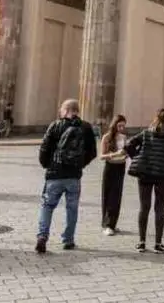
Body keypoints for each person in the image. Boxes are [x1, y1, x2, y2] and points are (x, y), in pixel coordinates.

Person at [35, 99, 98, 253]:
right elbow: (92, 152)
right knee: (72, 208)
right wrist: (81, 164)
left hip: (55, 173)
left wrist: (47, 165)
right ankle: (68, 240)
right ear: (77, 111)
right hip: (74, 175)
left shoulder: (55, 125)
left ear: (65, 110)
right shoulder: (86, 127)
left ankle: (42, 236)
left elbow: (44, 148)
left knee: (47, 206)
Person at [125, 108, 164, 253]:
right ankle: (158, 243)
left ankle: (142, 242)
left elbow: (128, 145)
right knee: (159, 207)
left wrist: (137, 156)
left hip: (145, 172)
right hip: (162, 174)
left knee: (144, 207)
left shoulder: (147, 132)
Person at [100, 114, 128, 236]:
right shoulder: (107, 137)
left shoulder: (124, 137)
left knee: (117, 196)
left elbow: (125, 152)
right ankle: (107, 224)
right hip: (110, 167)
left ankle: (113, 223)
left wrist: (126, 154)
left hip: (121, 166)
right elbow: (102, 156)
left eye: (123, 126)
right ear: (114, 125)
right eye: (119, 126)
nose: (121, 128)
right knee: (108, 195)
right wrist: (115, 154)